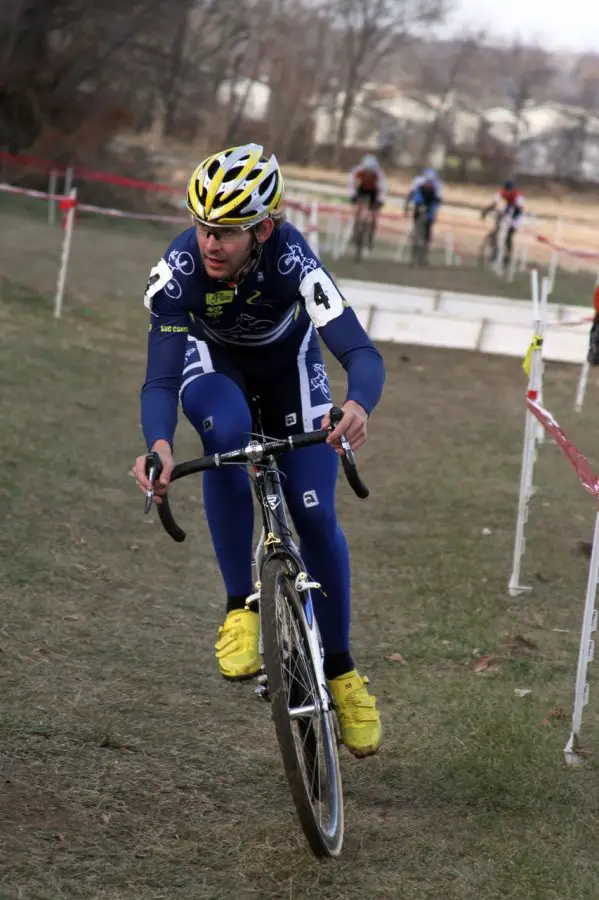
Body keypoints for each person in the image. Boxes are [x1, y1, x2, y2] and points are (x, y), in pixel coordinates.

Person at [134, 143, 385, 757]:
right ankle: (238, 606)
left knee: (315, 512)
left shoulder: (296, 258)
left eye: (225, 232)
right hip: (215, 369)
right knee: (224, 435)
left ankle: (344, 672)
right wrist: (160, 445)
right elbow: (162, 380)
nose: (208, 243)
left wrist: (357, 405)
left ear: (264, 228)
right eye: (201, 226)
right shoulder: (180, 271)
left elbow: (361, 352)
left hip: (289, 369)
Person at [481, 179, 525, 268]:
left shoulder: (518, 196)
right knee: (497, 230)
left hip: (516, 215)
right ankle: (494, 252)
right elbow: (494, 203)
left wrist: (511, 219)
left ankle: (508, 256)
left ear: (513, 189)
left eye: (509, 190)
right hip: (508, 209)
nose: (508, 192)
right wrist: (486, 211)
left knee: (509, 235)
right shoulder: (502, 191)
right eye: (507, 190)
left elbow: (519, 209)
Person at [349, 153, 386, 253]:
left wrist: (380, 200)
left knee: (374, 215)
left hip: (373, 192)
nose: (369, 172)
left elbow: (382, 188)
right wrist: (353, 196)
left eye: (371, 170)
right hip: (361, 190)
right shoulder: (357, 171)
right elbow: (352, 184)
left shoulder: (379, 173)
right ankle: (355, 232)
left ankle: (370, 236)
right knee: (358, 211)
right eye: (367, 170)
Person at [404, 167, 443, 256]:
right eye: (427, 182)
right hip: (420, 201)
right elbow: (412, 196)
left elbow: (438, 201)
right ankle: (415, 233)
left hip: (431, 202)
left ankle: (426, 246)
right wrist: (406, 208)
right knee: (418, 215)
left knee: (429, 224)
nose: (428, 184)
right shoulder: (418, 182)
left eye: (430, 182)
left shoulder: (438, 185)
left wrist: (434, 213)